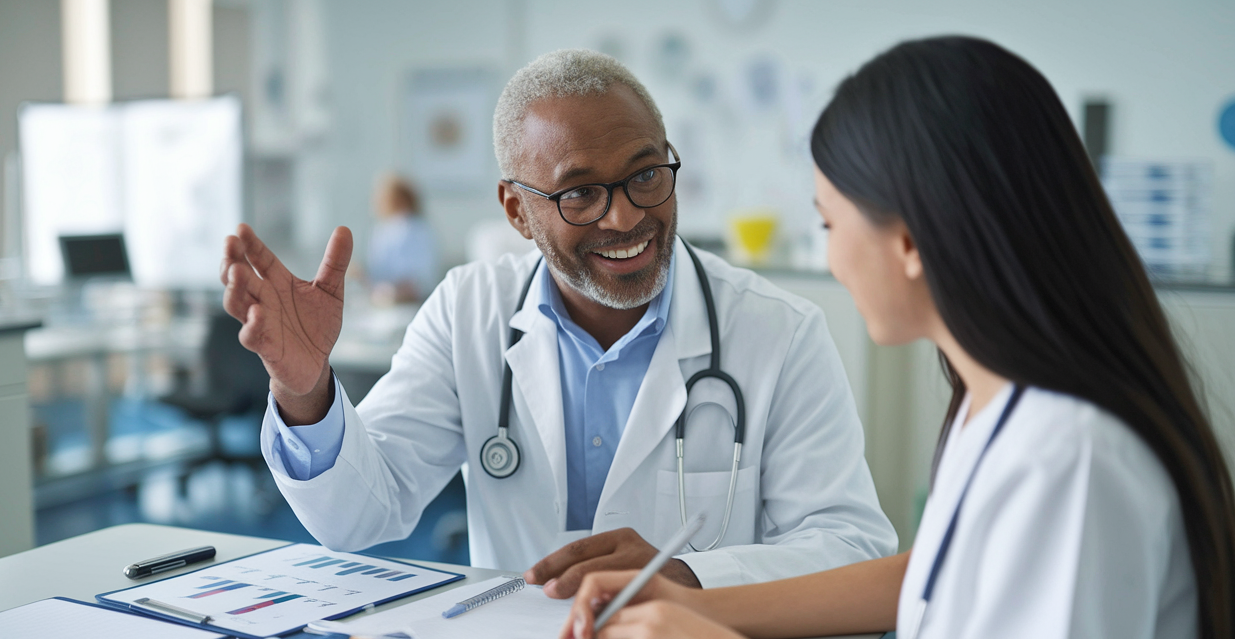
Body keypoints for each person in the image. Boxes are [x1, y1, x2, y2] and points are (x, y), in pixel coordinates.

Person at [563, 37, 1235, 639]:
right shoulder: (1003, 406)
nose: (834, 260)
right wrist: (697, 607)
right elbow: (942, 575)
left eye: (828, 225)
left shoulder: (1067, 458)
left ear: (910, 240)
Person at [219, 49, 896, 598]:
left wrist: (687, 576)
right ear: (516, 211)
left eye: (646, 175)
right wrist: (306, 392)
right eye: (580, 194)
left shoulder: (779, 332)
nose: (625, 217)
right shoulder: (468, 313)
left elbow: (850, 545)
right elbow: (361, 513)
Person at [365, 174, 438, 303]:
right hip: (384, 298)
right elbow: (378, 272)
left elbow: (420, 277)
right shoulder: (382, 229)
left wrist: (397, 291)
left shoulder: (416, 229)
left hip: (412, 301)